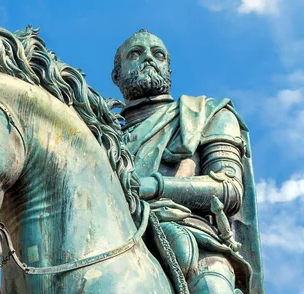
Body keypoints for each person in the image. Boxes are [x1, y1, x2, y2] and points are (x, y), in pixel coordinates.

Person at [111, 30, 264, 293]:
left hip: (194, 239)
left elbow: (229, 189)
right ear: (117, 74)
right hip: (112, 235)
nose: (148, 58)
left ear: (168, 69)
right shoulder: (105, 135)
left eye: (158, 55)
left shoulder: (207, 113)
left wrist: (155, 187)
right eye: (136, 53)